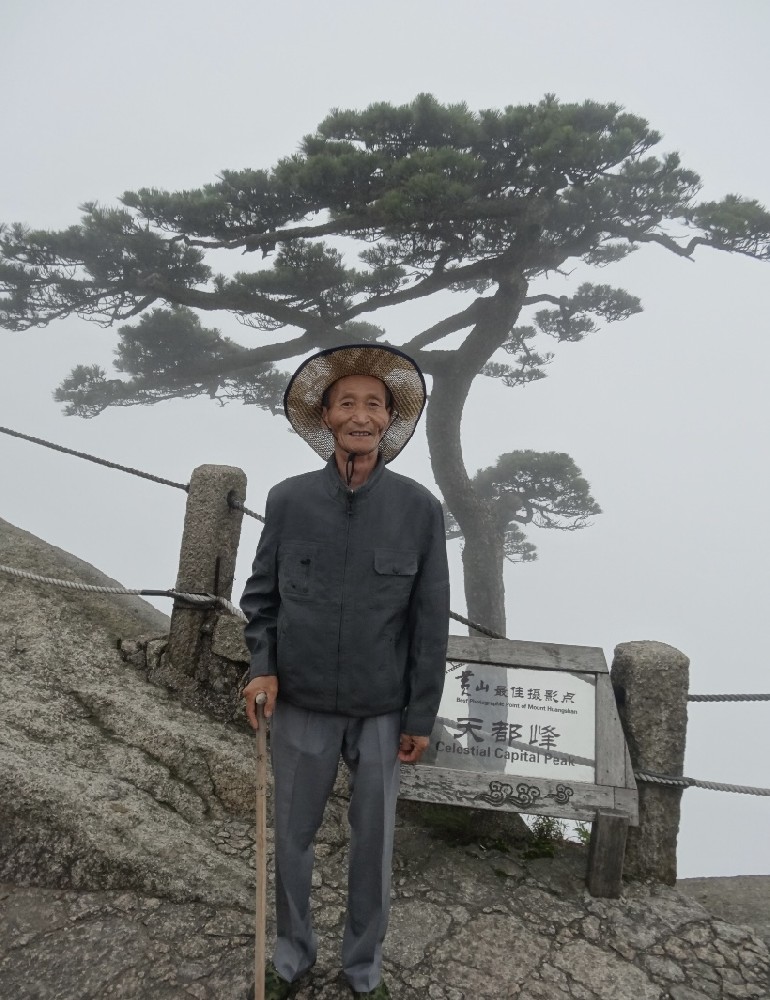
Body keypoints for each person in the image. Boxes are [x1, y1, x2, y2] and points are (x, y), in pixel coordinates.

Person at [240, 343, 449, 999]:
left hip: (382, 709)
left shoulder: (419, 509)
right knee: (292, 840)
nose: (361, 415)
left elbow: (430, 620)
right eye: (347, 402)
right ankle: (290, 958)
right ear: (326, 416)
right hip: (299, 701)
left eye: (374, 404)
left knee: (372, 847)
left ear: (389, 420)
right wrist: (263, 668)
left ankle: (363, 971)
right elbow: (262, 598)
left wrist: (419, 714)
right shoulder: (289, 500)